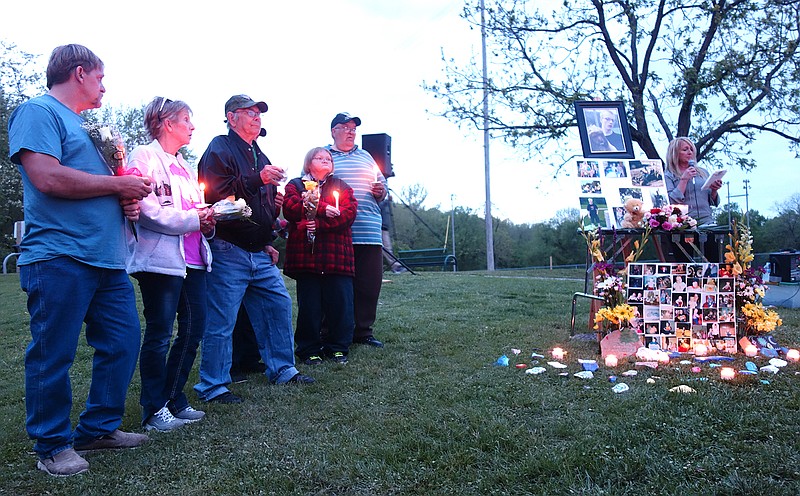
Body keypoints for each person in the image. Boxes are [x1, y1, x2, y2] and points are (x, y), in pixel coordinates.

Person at [7, 44, 152, 476]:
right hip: (58, 255)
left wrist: (125, 194)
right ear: (79, 72)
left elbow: (101, 186)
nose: (104, 87)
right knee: (54, 353)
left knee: (123, 343)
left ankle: (98, 429)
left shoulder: (85, 127)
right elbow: (47, 177)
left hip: (106, 259)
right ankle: (51, 445)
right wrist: (116, 187)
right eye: (101, 78)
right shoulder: (39, 112)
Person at [194, 94, 314, 405]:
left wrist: (270, 214)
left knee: (278, 304)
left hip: (258, 252)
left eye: (259, 113)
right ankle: (213, 386)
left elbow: (256, 200)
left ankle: (283, 369)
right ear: (231, 118)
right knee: (221, 321)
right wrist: (257, 180)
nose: (256, 117)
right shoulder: (219, 147)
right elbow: (219, 197)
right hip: (227, 247)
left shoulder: (259, 153)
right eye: (249, 112)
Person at [125, 97, 214, 431]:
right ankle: (153, 408)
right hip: (160, 260)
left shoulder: (183, 164)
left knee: (194, 329)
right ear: (166, 123)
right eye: (187, 120)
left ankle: (174, 396)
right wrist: (194, 218)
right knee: (160, 332)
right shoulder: (144, 156)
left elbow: (193, 207)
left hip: (192, 259)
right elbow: (147, 209)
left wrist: (208, 219)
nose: (192, 127)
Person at [283, 147, 357, 365]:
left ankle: (338, 347)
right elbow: (290, 207)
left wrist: (319, 224)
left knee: (340, 304)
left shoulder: (341, 186)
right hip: (307, 258)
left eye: (329, 158)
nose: (325, 160)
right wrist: (323, 208)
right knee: (310, 306)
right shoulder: (295, 185)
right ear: (308, 163)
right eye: (320, 158)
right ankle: (309, 349)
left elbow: (348, 213)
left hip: (337, 257)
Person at [327, 113, 388, 348]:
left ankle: (363, 332)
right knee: (338, 286)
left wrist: (381, 191)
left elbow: (383, 188)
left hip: (370, 230)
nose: (351, 131)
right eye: (345, 127)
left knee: (369, 285)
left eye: (353, 128)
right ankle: (332, 330)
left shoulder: (366, 157)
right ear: (334, 131)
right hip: (340, 232)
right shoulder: (325, 156)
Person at [663, 137, 724, 261]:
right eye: (685, 149)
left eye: (691, 149)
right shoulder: (669, 175)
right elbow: (671, 201)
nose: (690, 152)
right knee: (684, 264)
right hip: (682, 226)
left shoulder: (702, 173)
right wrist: (684, 180)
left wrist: (714, 190)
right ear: (675, 153)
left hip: (706, 223)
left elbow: (711, 201)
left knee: (714, 261)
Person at [380, 195, 406, 273]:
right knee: (387, 249)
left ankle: (395, 266)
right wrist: (387, 201)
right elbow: (378, 207)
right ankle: (396, 266)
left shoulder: (385, 203)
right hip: (380, 228)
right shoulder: (380, 202)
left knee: (386, 249)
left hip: (384, 228)